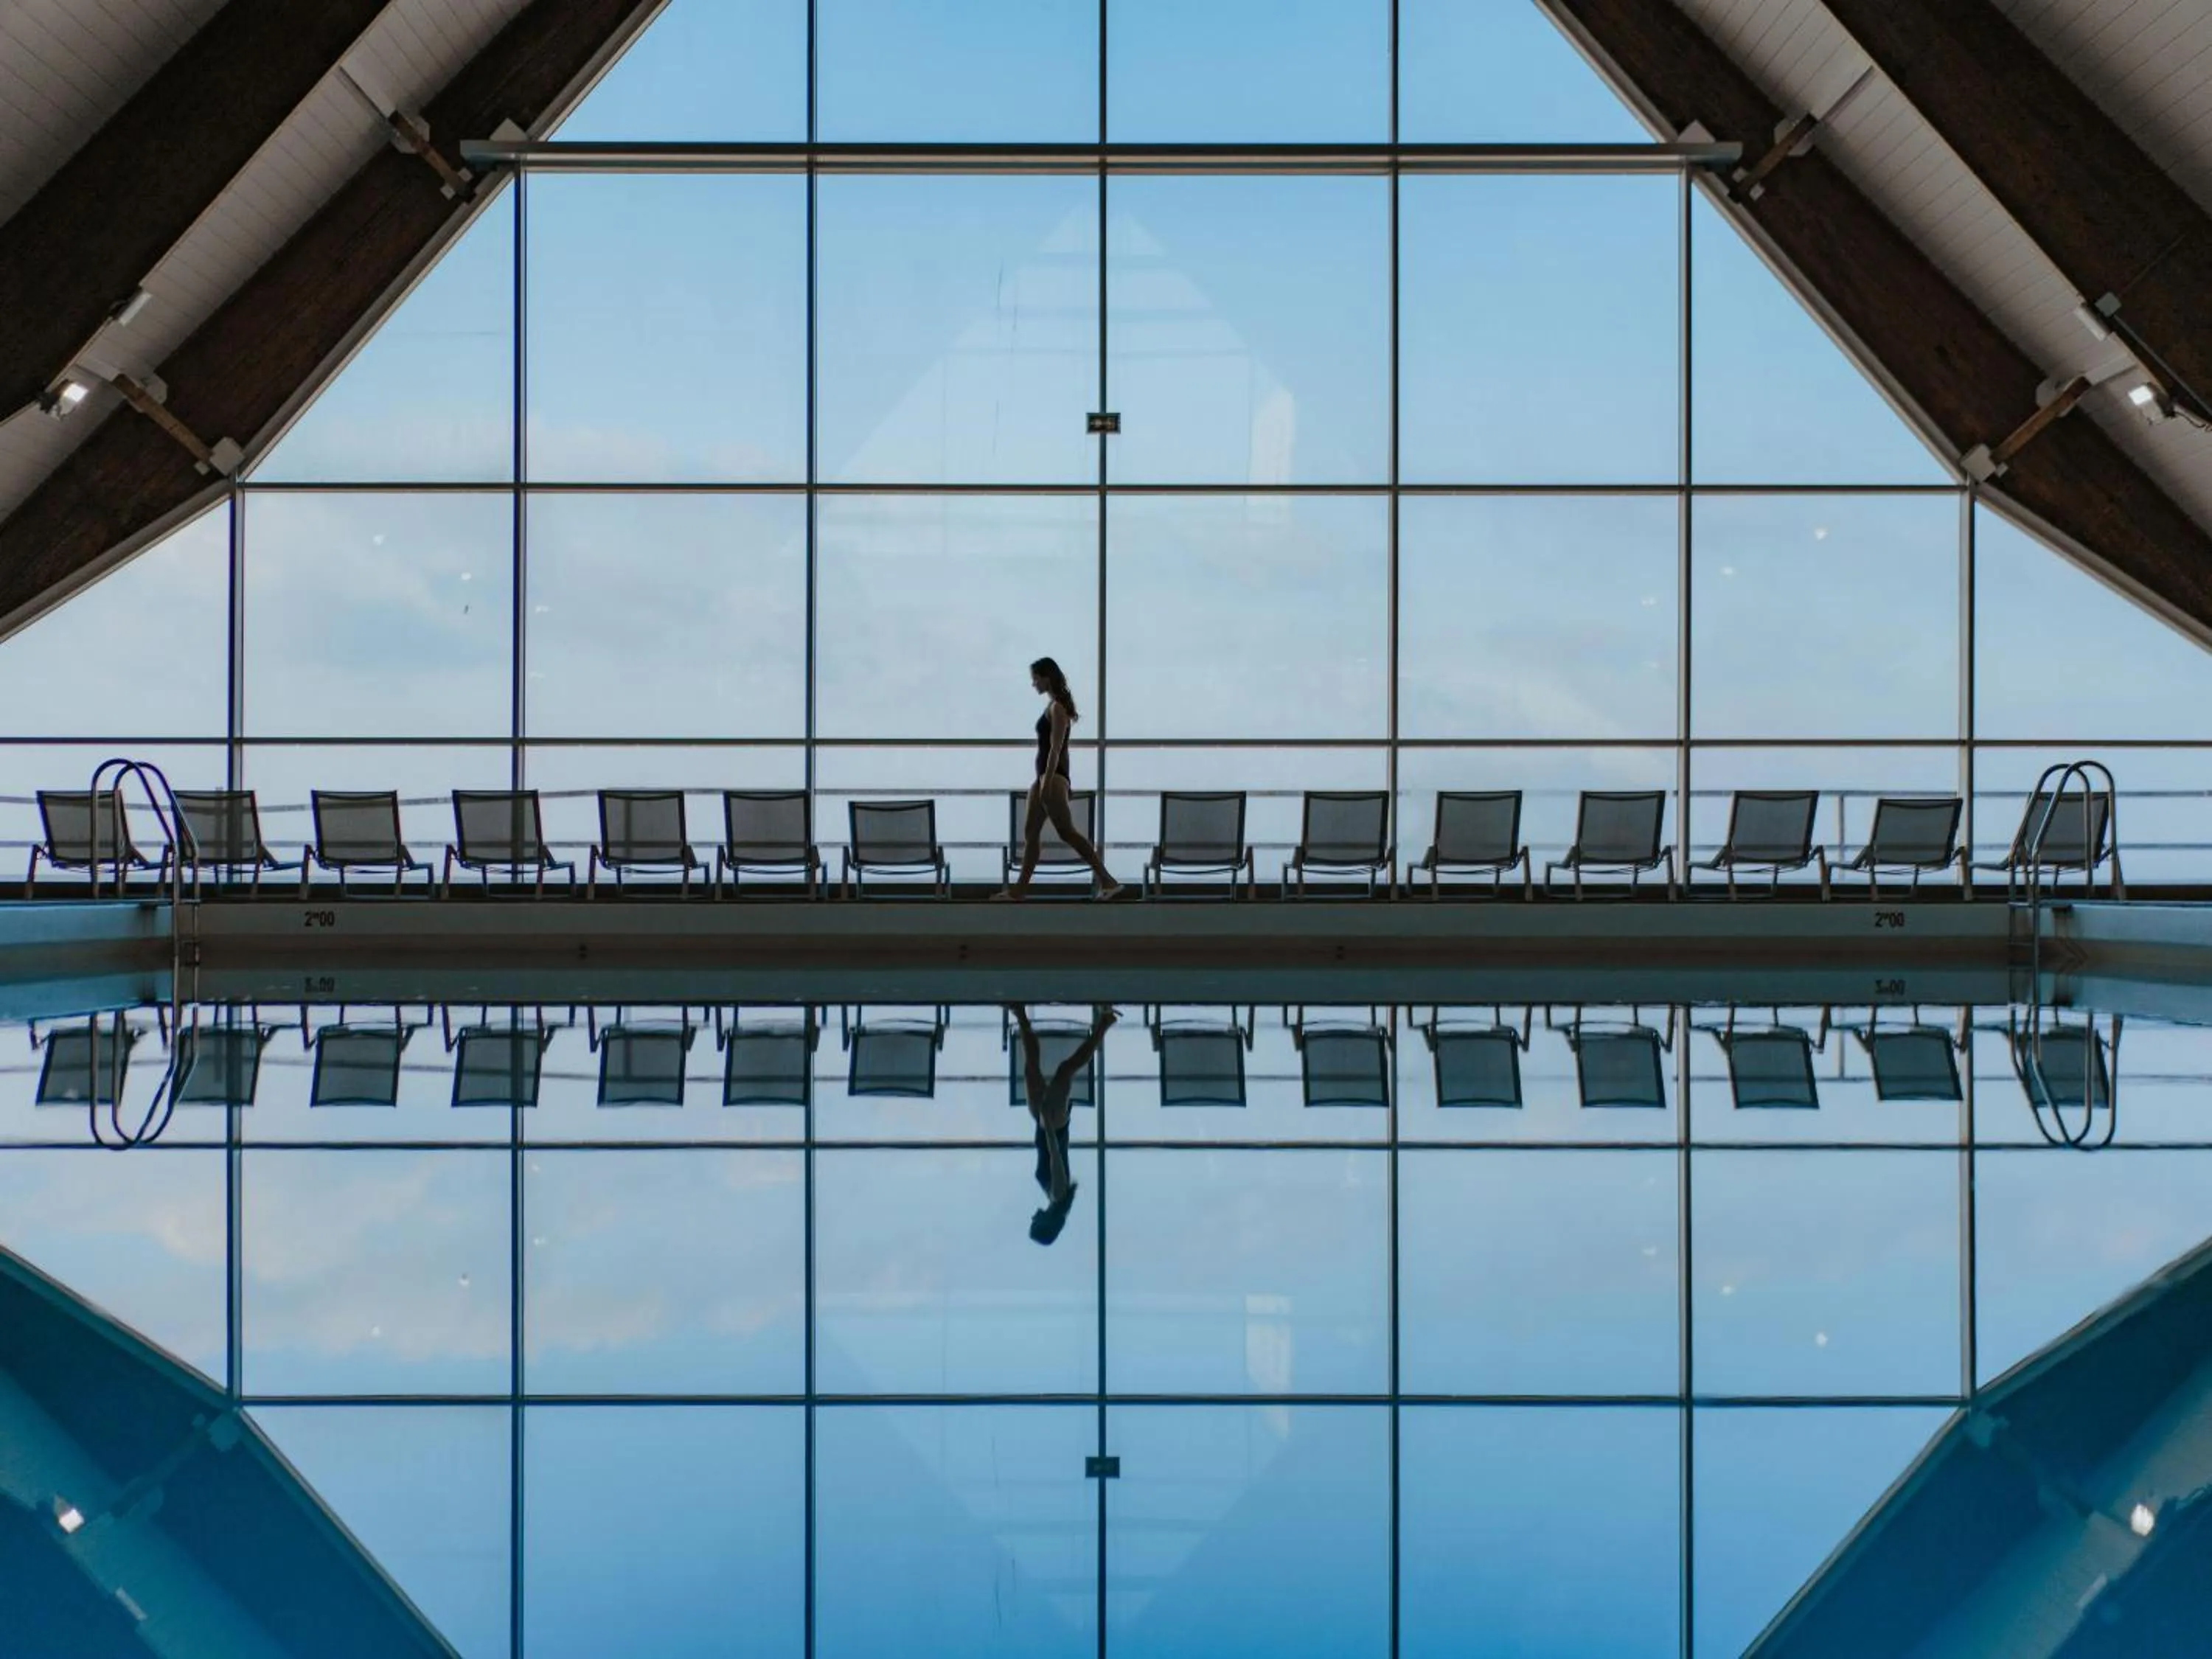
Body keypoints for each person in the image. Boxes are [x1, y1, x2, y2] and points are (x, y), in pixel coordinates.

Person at [992, 657, 1124, 900]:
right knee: (1031, 833)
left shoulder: (1057, 709)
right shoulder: (1052, 706)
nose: (1033, 684)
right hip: (1044, 777)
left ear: (1047, 677)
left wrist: (1050, 781)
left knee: (1067, 832)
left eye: (1035, 678)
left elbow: (1056, 749)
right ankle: (1019, 890)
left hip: (1051, 778)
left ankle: (1108, 881)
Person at [1010, 1003, 1116, 1245]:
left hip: (1044, 1124)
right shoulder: (1058, 1196)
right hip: (1053, 1126)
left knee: (1032, 1071)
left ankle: (1021, 1014)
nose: (1032, 1219)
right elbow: (1055, 1156)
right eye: (1034, 1223)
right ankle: (1104, 1024)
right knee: (1063, 1071)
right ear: (1046, 1224)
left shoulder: (1055, 1197)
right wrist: (1047, 1126)